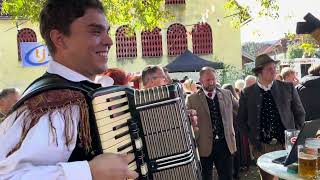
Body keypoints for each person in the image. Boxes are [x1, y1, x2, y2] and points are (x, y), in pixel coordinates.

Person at [0, 1, 139, 179]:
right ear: (60, 39)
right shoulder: (50, 105)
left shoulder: (97, 91)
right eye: (95, 32)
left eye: (107, 31)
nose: (109, 41)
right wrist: (88, 172)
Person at [237, 54, 305, 180]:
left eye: (275, 67)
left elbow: (300, 113)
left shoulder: (287, 87)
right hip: (262, 146)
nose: (274, 71)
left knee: (289, 176)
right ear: (259, 72)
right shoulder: (247, 93)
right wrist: (252, 138)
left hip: (286, 144)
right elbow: (240, 121)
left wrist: (296, 134)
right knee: (268, 178)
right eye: (269, 68)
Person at [186, 67, 238, 180]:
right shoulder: (191, 99)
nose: (211, 82)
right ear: (200, 80)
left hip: (225, 144)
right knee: (205, 177)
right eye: (208, 80)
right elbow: (186, 121)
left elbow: (239, 109)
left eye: (213, 79)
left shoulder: (227, 94)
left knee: (227, 177)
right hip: (204, 146)